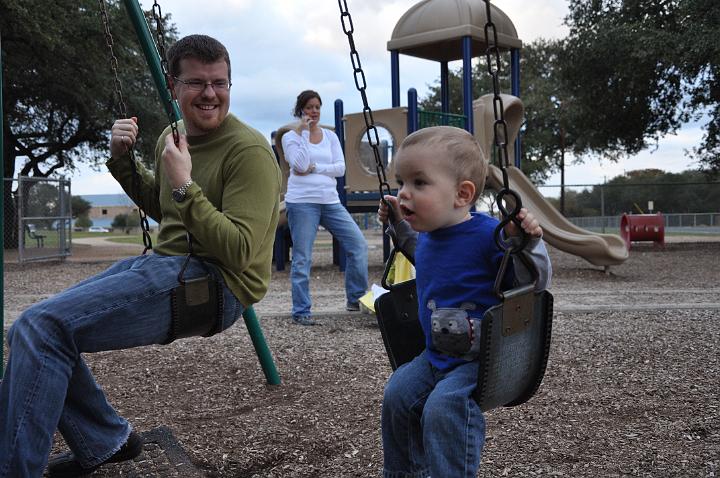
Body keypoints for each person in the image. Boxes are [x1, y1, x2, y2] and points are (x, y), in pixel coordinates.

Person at [0, 34, 281, 477]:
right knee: (29, 328)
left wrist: (187, 185)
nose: (210, 94)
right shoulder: (171, 136)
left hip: (214, 285)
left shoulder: (249, 152)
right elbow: (162, 204)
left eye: (220, 83)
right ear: (174, 87)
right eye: (197, 83)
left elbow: (241, 252)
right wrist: (122, 160)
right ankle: (106, 440)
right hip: (164, 266)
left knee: (43, 326)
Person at [377, 126, 552, 478]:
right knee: (397, 394)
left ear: (462, 194)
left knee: (443, 408)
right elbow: (414, 249)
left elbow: (535, 283)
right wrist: (397, 223)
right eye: (401, 183)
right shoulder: (428, 237)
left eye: (419, 183)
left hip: (483, 360)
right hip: (435, 356)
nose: (404, 193)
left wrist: (528, 243)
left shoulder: (491, 235)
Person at [281, 90, 368, 326]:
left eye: (317, 107)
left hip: (330, 201)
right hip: (302, 202)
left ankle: (356, 299)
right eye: (309, 107)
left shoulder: (330, 137)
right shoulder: (291, 137)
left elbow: (340, 168)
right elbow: (298, 165)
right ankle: (301, 311)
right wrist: (304, 134)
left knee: (358, 245)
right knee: (302, 258)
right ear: (301, 110)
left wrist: (315, 167)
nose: (314, 111)